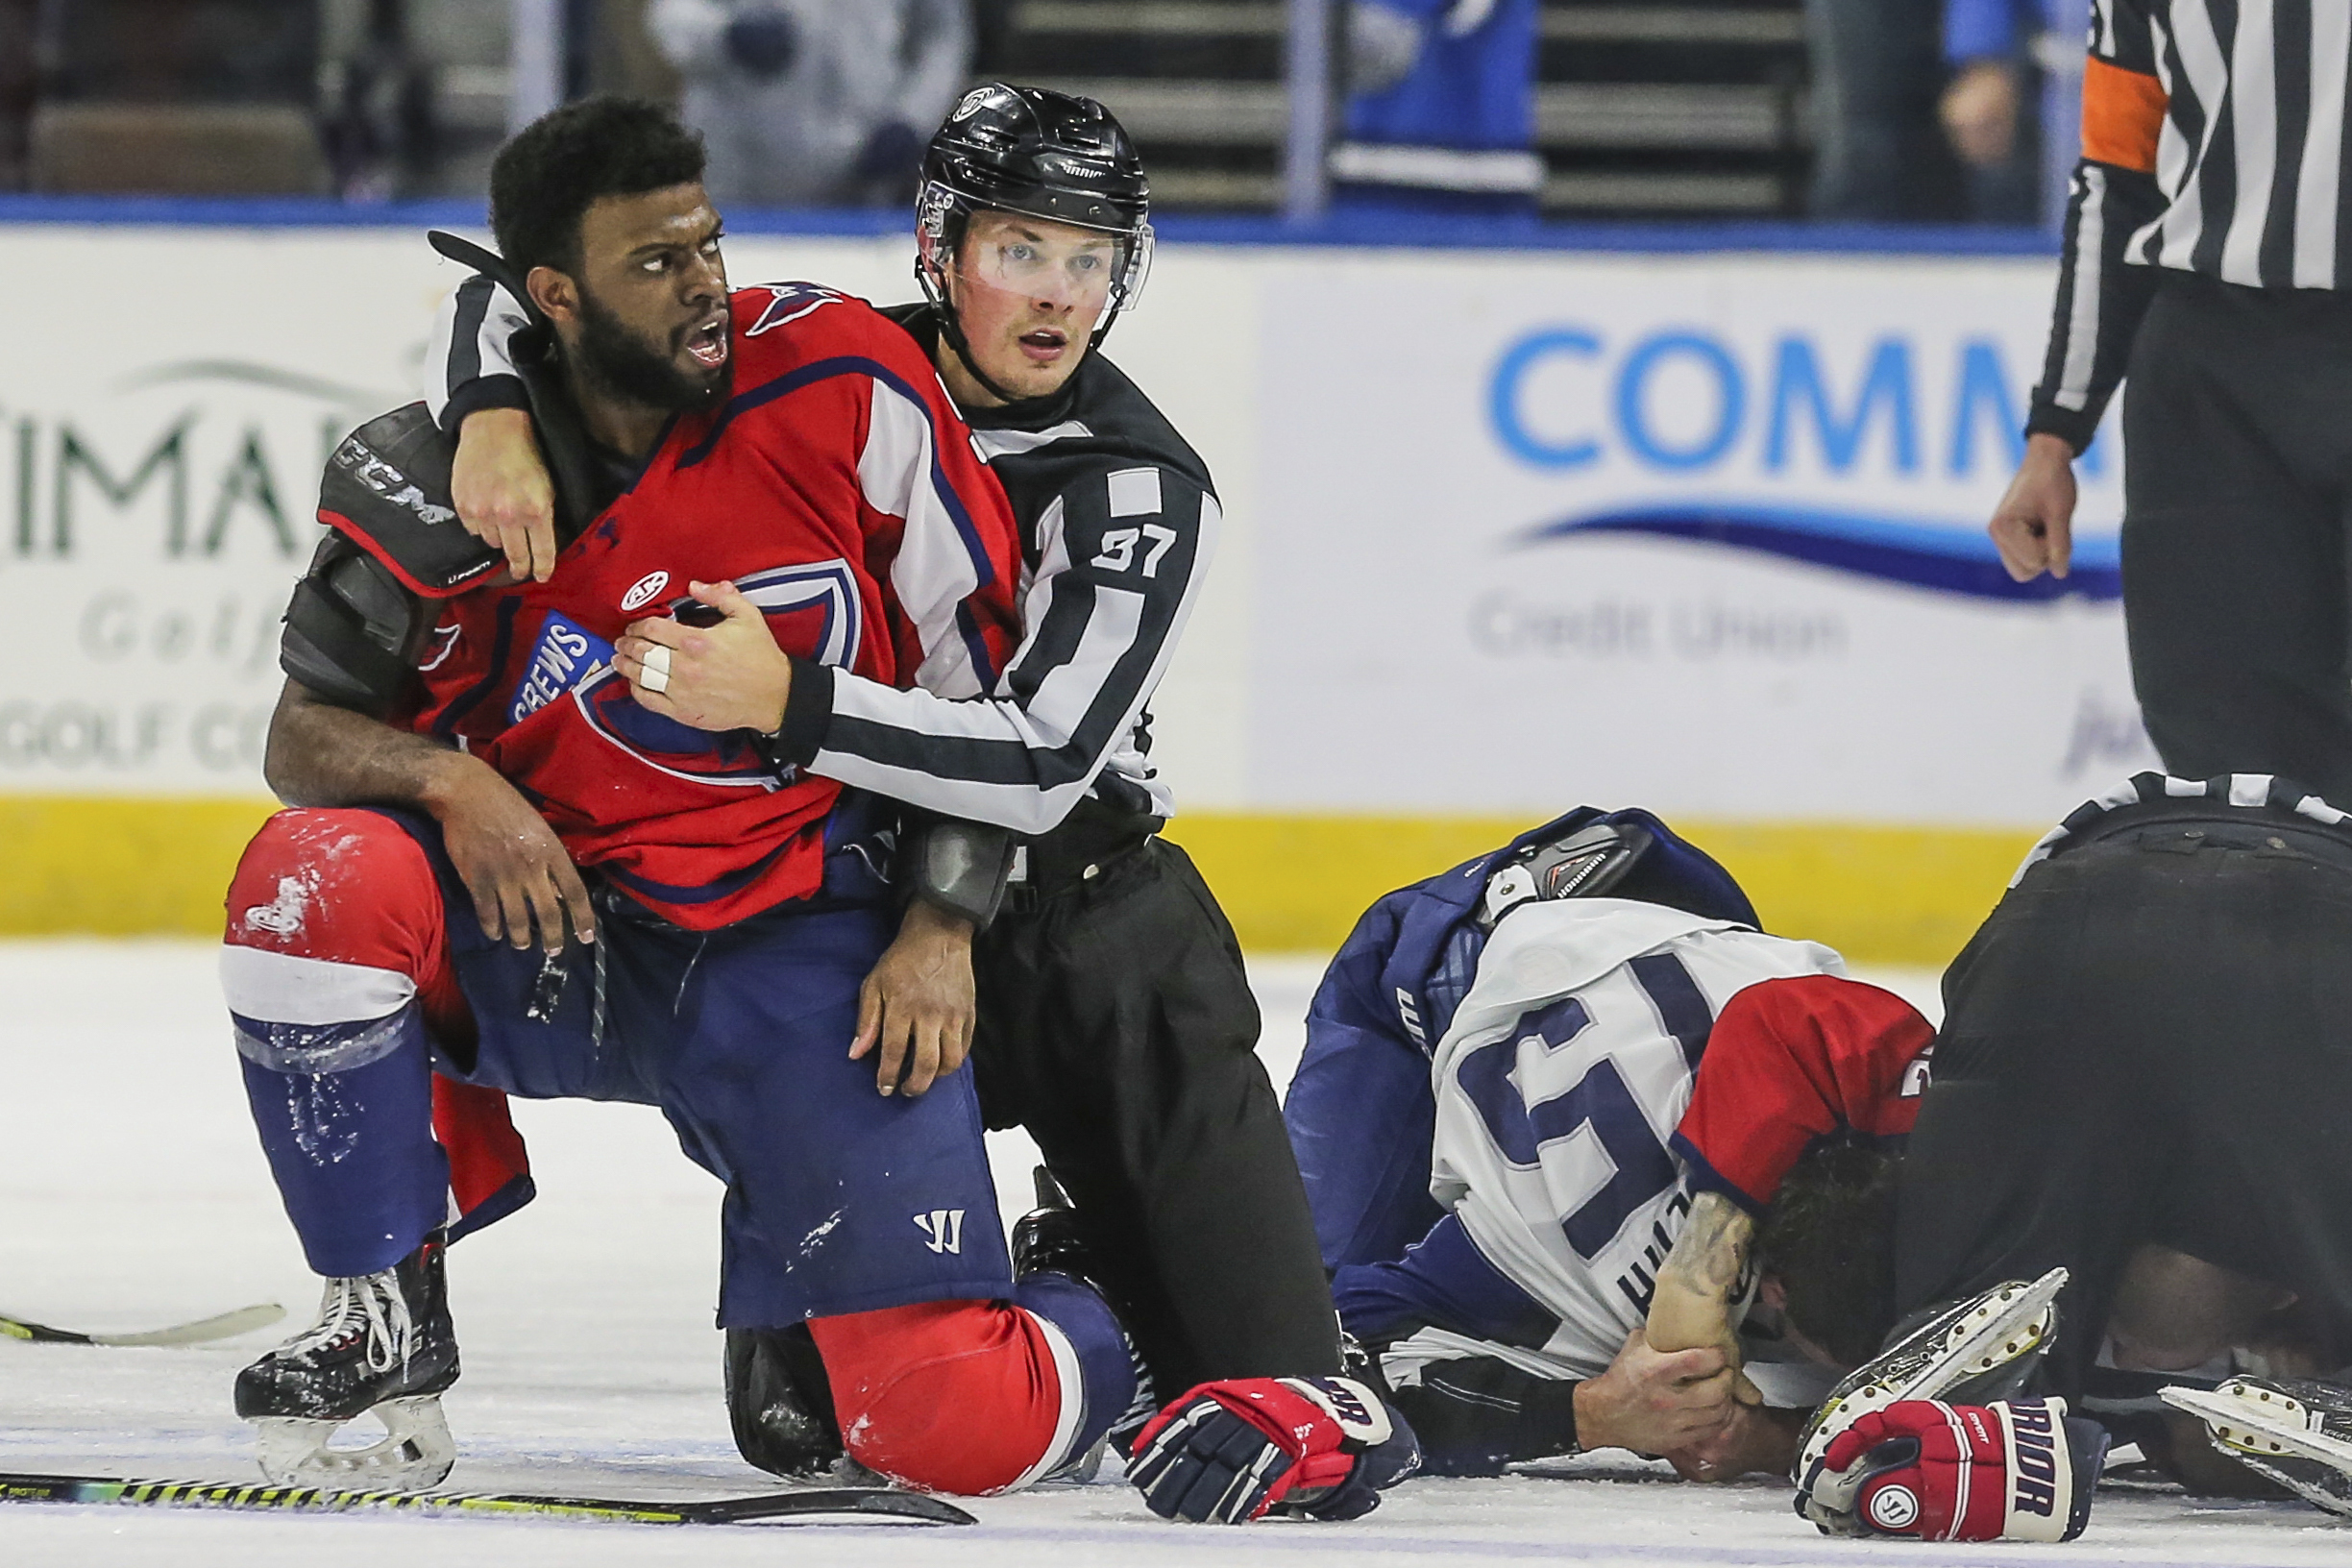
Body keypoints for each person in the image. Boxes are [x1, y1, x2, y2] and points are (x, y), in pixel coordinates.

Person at [425, 85, 1410, 1524]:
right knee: (808, 1426)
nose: (1061, 297)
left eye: (1093, 261)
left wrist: (791, 705)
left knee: (1280, 1402)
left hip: (1090, 943)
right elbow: (551, 301)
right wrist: (493, 409)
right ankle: (1023, 1283)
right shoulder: (818, 357)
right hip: (847, 924)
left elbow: (1037, 757)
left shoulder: (1132, 485)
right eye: (1025, 250)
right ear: (940, 249)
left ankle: (1103, 1291)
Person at [222, 97, 1146, 1499]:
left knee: (949, 1425)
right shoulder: (441, 473)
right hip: (556, 934)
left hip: (808, 941)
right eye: (656, 264)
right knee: (311, 878)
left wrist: (944, 921)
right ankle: (380, 1306)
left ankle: (1109, 1303)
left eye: (708, 244)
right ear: (556, 297)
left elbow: (983, 684)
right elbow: (305, 736)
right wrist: (453, 782)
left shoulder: (843, 377)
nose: (706, 285)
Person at [1283, 809, 1938, 1479]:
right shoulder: (1578, 1274)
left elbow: (1787, 1013)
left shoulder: (1912, 1121)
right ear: (1771, 1293)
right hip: (1444, 956)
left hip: (1665, 898)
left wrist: (1766, 1424)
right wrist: (1590, 1413)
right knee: (1285, 1314)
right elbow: (1322, 1365)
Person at [1990, 7, 2352, 804]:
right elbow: (2116, 176)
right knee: (2232, 779)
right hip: (2212, 393)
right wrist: (2056, 430)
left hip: (2219, 377)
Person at [647, 0, 970, 208]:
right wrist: (722, 35)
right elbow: (670, 11)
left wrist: (912, 120)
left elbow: (943, 34)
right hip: (739, 159)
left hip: (859, 164)